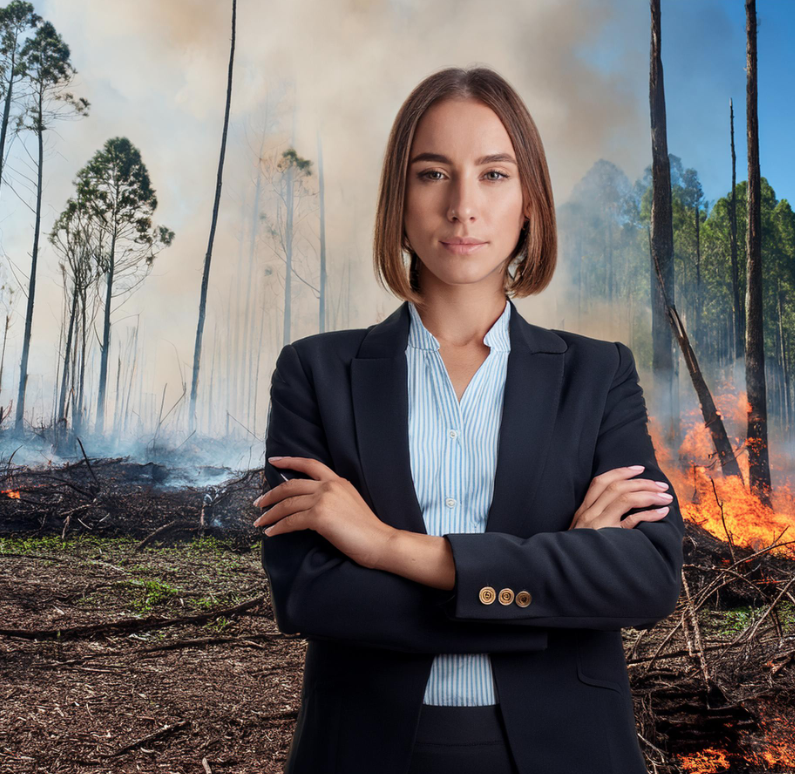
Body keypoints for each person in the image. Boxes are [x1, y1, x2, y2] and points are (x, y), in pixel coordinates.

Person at [255, 66, 684, 774]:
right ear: (399, 199)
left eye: (493, 174)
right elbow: (312, 595)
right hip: (362, 749)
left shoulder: (599, 373)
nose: (463, 207)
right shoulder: (315, 373)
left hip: (569, 750)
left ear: (529, 204)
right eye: (432, 174)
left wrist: (386, 545)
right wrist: (548, 585)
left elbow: (645, 576)